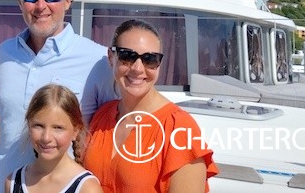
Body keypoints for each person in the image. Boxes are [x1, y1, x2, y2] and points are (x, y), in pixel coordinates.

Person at [0, 0, 117, 193]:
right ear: (20, 1)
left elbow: (113, 132)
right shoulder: (5, 53)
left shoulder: (98, 60)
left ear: (68, 0)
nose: (41, 5)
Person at [83, 19, 219, 193]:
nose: (138, 68)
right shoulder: (102, 115)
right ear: (111, 57)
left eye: (150, 59)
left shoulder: (178, 128)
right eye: (127, 56)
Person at [5, 84, 103, 193]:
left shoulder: (87, 188)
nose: (46, 137)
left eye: (58, 128)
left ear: (75, 131)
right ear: (29, 125)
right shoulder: (13, 182)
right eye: (39, 126)